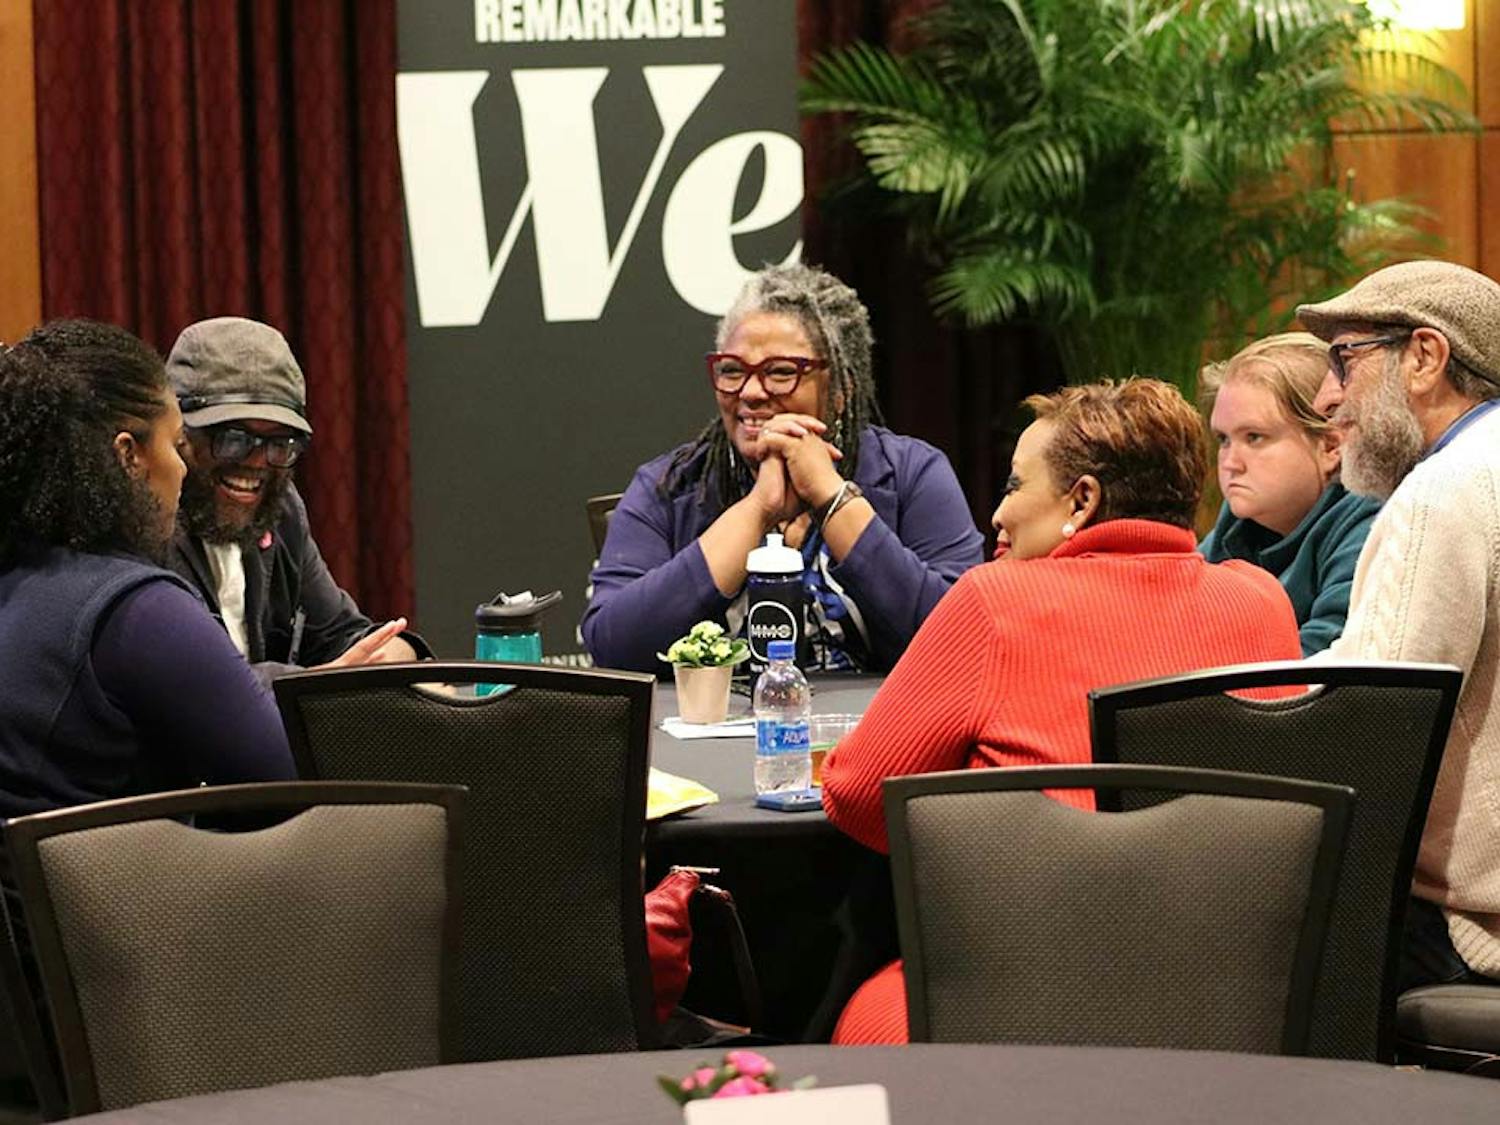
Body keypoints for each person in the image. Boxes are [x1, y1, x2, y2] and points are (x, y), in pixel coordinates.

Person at [820, 378, 1303, 1044]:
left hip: (1024, 1009)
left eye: (1015, 487)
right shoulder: (1262, 601)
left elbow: (858, 795)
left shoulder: (995, 602)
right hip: (1235, 1011)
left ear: (1082, 499)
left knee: (863, 1011)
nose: (997, 515)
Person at [582, 264, 984, 673]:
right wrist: (758, 510)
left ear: (841, 390)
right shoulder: (669, 487)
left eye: (780, 373)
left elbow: (963, 641)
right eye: (732, 371)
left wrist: (832, 497)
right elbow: (614, 649)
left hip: (880, 731)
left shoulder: (912, 474)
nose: (751, 393)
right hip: (712, 733)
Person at [0, 320, 300, 819]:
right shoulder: (138, 612)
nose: (182, 468)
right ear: (127, 455)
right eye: (177, 444)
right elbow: (289, 783)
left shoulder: (18, 578)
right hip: (112, 895)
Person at [1297, 260, 1500, 992]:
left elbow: (1374, 734)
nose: (1326, 397)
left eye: (1343, 359)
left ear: (1424, 356)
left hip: (1467, 937)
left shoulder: (1442, 492)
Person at [165, 317, 430, 683]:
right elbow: (184, 687)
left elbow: (337, 633)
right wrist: (311, 688)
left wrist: (394, 659)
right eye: (233, 438)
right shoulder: (143, 525)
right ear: (177, 432)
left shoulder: (280, 507)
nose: (257, 462)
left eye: (279, 444)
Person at [1199, 333, 1381, 655]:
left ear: (1330, 447)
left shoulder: (1370, 522)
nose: (1230, 463)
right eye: (1223, 439)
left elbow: (1320, 660)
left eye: (1254, 437)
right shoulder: (1239, 522)